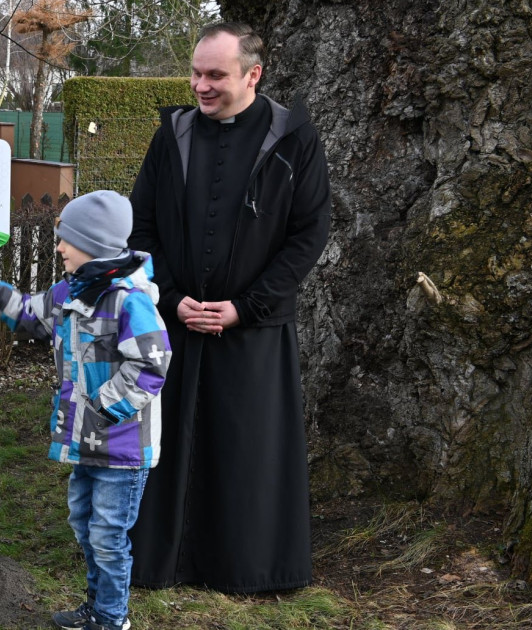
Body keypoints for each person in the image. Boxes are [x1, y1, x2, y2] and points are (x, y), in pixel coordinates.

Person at [125, 21, 332, 593]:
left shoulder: (294, 137)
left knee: (248, 452)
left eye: (215, 75)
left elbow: (309, 233)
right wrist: (169, 296)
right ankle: (159, 563)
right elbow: (140, 226)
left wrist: (248, 306)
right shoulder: (172, 135)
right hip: (178, 324)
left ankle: (246, 567)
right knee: (167, 448)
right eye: (196, 72)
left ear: (253, 75)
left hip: (255, 330)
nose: (201, 85)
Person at [0, 190, 171, 630]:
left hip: (123, 448)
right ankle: (96, 606)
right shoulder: (69, 292)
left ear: (91, 243)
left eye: (65, 240)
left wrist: (102, 407)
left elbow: (152, 363)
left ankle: (112, 618)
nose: (58, 248)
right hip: (85, 442)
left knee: (109, 536)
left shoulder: (129, 299)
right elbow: (30, 315)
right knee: (84, 526)